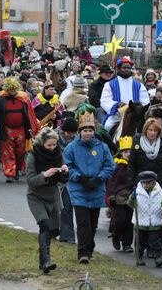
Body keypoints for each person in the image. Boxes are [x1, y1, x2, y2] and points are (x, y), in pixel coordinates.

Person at [63, 110, 115, 264]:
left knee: (92, 224)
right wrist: (80, 177)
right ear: (80, 132)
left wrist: (99, 179)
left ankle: (89, 247)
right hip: (79, 189)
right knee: (83, 223)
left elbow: (109, 166)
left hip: (96, 189)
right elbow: (68, 166)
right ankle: (83, 252)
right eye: (85, 130)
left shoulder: (102, 147)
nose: (88, 133)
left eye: (90, 130)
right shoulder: (71, 148)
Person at [25, 127, 69, 274]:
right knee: (44, 225)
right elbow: (30, 181)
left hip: (52, 195)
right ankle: (46, 261)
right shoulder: (33, 156)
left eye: (54, 145)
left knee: (54, 230)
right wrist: (45, 175)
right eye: (49, 145)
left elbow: (63, 180)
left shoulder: (58, 154)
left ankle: (42, 258)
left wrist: (65, 172)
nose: (52, 148)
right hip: (36, 196)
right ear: (42, 143)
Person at [0, 77, 40, 183]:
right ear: (7, 89)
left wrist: (31, 129)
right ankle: (10, 174)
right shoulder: (1, 100)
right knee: (7, 153)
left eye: (14, 89)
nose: (12, 91)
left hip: (21, 130)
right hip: (6, 130)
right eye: (10, 89)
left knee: (20, 152)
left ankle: (17, 169)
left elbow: (30, 115)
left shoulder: (23, 100)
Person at [129, 170, 162, 267]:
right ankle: (139, 257)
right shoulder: (137, 193)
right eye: (144, 183)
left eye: (149, 183)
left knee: (155, 241)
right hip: (140, 222)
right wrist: (132, 199)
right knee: (140, 242)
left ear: (154, 182)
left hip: (154, 222)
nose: (146, 185)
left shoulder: (159, 192)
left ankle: (157, 257)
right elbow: (130, 204)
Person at [100, 56, 150, 133]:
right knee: (107, 127)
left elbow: (145, 101)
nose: (127, 69)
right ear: (119, 69)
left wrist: (137, 108)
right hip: (117, 116)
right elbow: (104, 100)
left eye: (129, 68)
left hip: (135, 116)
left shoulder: (139, 85)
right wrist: (117, 105)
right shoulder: (109, 84)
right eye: (124, 68)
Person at [106, 136, 134, 253]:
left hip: (131, 197)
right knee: (120, 220)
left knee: (129, 222)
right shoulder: (118, 166)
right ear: (121, 153)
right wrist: (112, 196)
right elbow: (112, 182)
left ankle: (127, 244)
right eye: (125, 151)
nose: (128, 154)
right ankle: (116, 236)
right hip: (119, 198)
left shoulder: (134, 166)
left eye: (130, 151)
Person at [55, 116, 78, 244]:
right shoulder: (53, 138)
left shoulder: (78, 139)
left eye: (74, 134)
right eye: (69, 133)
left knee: (67, 205)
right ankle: (52, 230)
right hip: (56, 175)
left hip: (72, 176)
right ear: (63, 131)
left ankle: (67, 235)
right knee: (55, 207)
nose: (71, 136)